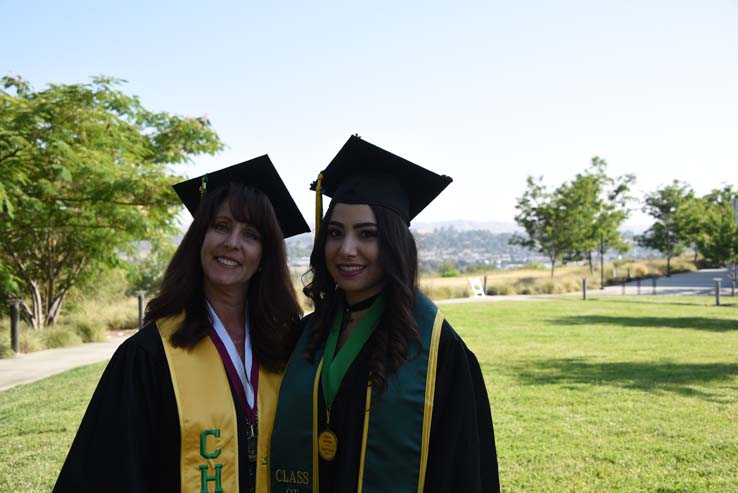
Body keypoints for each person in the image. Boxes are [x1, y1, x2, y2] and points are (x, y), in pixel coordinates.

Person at [54, 155, 310, 493]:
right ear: (200, 239)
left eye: (250, 234)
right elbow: (107, 473)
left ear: (265, 257)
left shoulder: (287, 347)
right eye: (221, 226)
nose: (232, 242)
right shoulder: (149, 356)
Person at [269, 135, 500, 492]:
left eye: (367, 234)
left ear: (394, 244)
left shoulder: (437, 351)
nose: (347, 250)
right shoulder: (307, 335)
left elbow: (463, 471)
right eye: (334, 233)